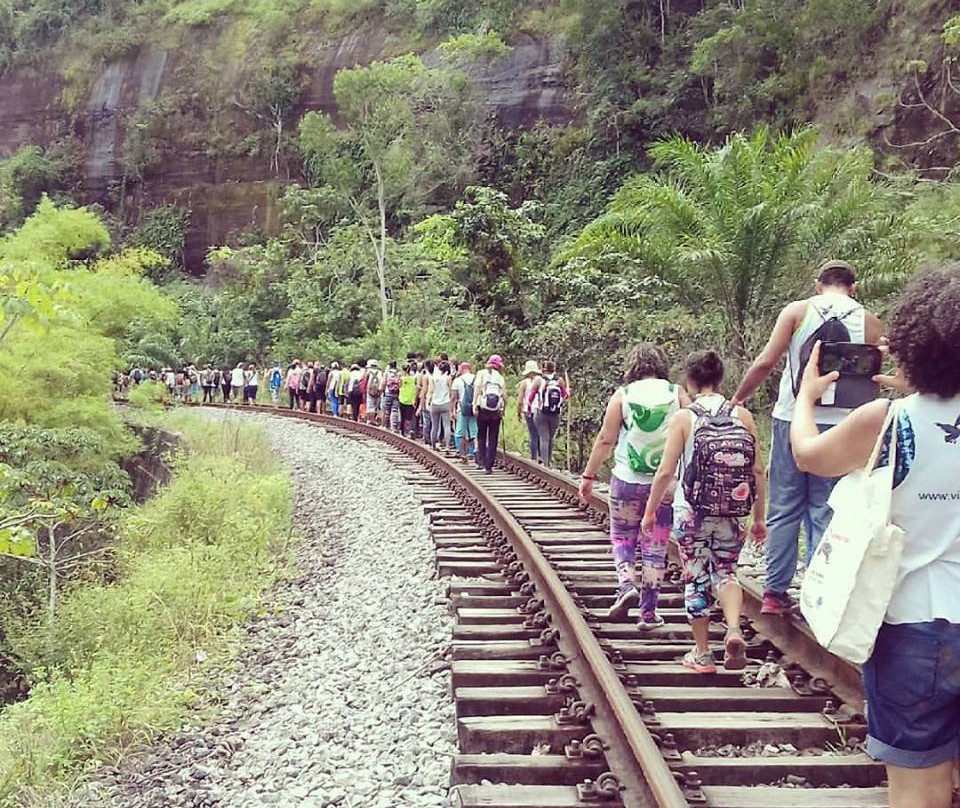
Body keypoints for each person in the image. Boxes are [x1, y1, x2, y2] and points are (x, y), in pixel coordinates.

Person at [789, 266, 960, 808]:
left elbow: (808, 456)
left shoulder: (889, 420)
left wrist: (806, 398)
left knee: (920, 787)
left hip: (914, 626)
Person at [732, 260, 883, 615]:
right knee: (826, 508)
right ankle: (820, 595)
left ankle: (774, 592)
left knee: (784, 506)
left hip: (792, 417)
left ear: (819, 285)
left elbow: (767, 361)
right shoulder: (871, 321)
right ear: (853, 287)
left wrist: (739, 397)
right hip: (843, 424)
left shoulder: (797, 312)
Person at [643, 350, 767, 674]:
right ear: (721, 378)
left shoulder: (685, 418)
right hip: (734, 509)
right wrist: (758, 518)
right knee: (726, 572)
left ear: (690, 380)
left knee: (696, 577)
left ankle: (702, 653)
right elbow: (758, 471)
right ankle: (734, 630)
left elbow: (666, 472)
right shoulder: (743, 416)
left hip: (692, 512)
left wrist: (650, 512)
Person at [578, 345, 686, 629]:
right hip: (664, 484)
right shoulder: (677, 394)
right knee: (656, 545)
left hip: (626, 479)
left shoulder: (623, 395)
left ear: (633, 367)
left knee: (623, 537)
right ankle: (648, 614)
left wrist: (588, 476)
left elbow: (605, 439)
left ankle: (626, 585)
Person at [529, 360, 569, 467]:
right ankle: (549, 461)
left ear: (543, 370)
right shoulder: (559, 380)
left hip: (541, 412)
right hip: (555, 413)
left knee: (543, 437)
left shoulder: (538, 380)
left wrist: (529, 407)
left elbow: (531, 395)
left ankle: (545, 462)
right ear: (554, 369)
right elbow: (565, 395)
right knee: (551, 437)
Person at [473, 355, 507, 474]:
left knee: (481, 435)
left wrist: (474, 405)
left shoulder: (481, 373)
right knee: (493, 437)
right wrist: (503, 408)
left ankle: (481, 461)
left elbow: (477, 389)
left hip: (482, 408)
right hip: (495, 410)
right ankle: (489, 466)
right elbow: (504, 394)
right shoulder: (500, 377)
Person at [451, 362, 477, 462]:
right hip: (473, 408)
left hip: (462, 409)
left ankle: (460, 451)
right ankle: (473, 451)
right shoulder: (476, 378)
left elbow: (454, 397)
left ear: (461, 369)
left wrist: (452, 410)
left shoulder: (457, 380)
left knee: (460, 431)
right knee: (474, 430)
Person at [517, 360, 541, 462]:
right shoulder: (541, 381)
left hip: (529, 411)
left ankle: (533, 458)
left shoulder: (524, 383)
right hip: (540, 410)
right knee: (541, 434)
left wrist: (518, 412)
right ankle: (542, 457)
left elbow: (520, 400)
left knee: (533, 435)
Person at [428, 361, 453, 449]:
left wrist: (428, 401)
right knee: (447, 425)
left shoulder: (433, 378)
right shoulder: (448, 378)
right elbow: (450, 391)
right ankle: (447, 446)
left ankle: (433, 445)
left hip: (435, 403)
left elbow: (430, 390)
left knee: (434, 425)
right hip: (445, 402)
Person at [417, 360, 435, 444]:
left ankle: (426, 439)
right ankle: (434, 439)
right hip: (435, 400)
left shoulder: (426, 377)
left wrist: (420, 405)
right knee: (434, 421)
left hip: (427, 399)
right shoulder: (437, 376)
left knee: (426, 420)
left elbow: (424, 391)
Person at [399, 363, 419, 437]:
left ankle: (402, 431)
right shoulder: (414, 378)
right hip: (411, 399)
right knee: (411, 416)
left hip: (402, 399)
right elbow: (416, 388)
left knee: (403, 416)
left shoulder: (401, 378)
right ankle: (411, 430)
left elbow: (399, 387)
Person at [382, 360, 402, 431]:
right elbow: (400, 384)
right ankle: (394, 427)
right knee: (395, 410)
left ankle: (386, 426)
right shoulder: (399, 373)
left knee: (387, 410)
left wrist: (382, 390)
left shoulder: (387, 373)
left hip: (388, 393)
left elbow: (383, 383)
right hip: (396, 394)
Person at [365, 360, 384, 425]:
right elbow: (382, 382)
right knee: (377, 405)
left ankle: (370, 420)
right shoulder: (380, 372)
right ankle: (376, 420)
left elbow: (365, 382)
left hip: (370, 390)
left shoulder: (368, 372)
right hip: (378, 391)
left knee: (370, 405)